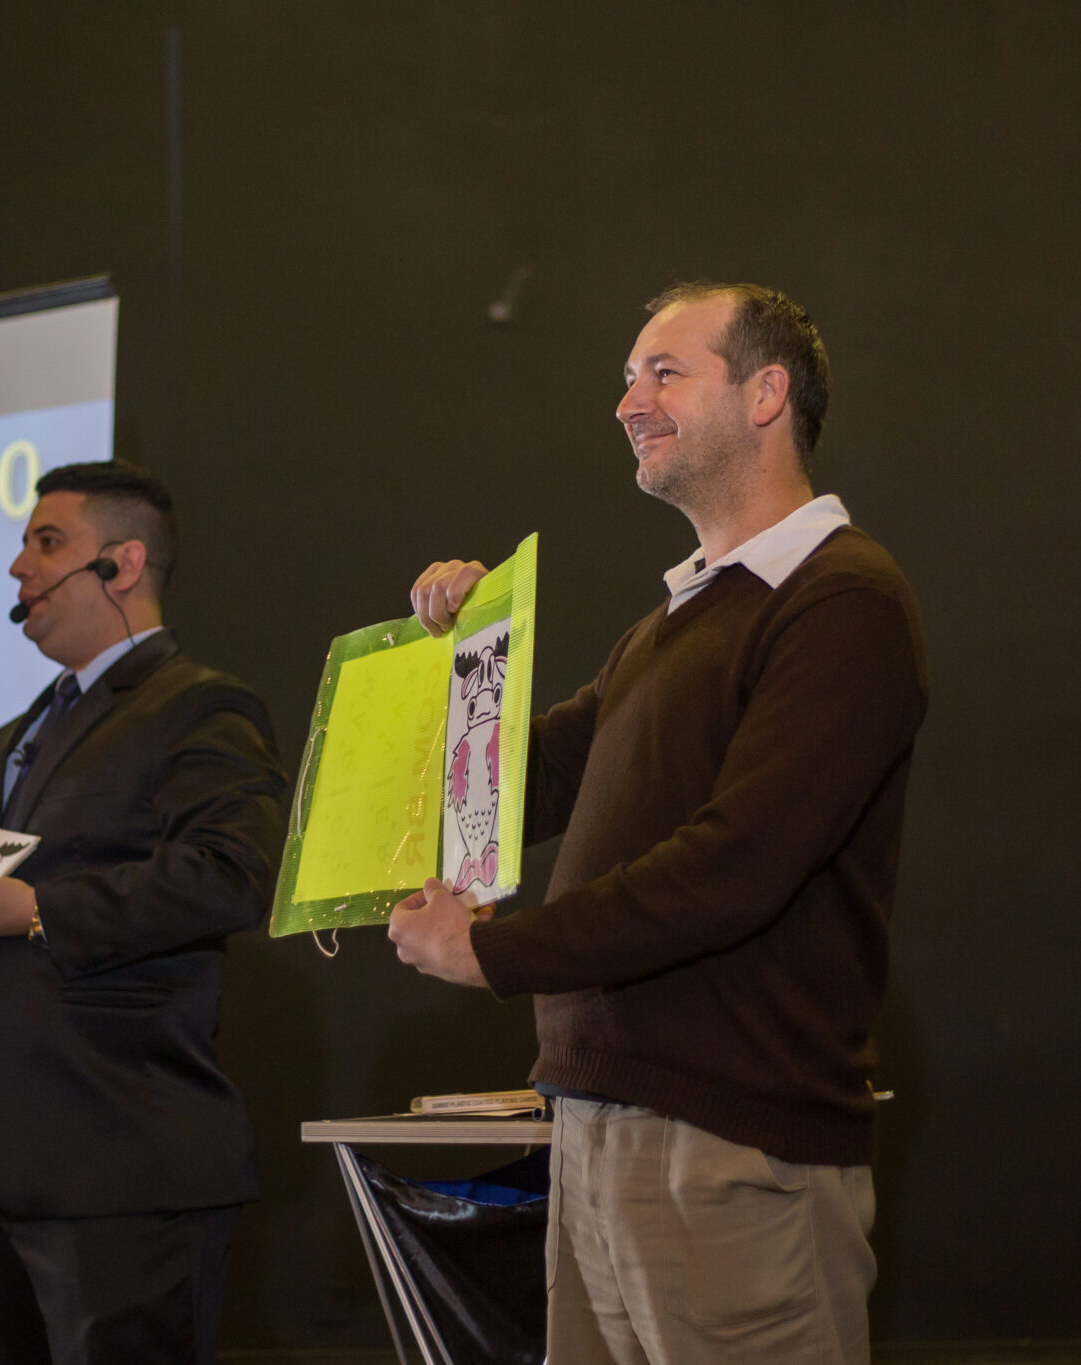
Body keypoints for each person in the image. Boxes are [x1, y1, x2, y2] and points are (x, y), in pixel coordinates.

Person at [390, 282, 928, 1365]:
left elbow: (736, 865)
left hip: (728, 1141)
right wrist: (462, 660)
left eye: (663, 373)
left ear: (765, 394)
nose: (627, 402)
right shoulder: (668, 624)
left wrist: (495, 952)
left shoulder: (842, 599)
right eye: (627, 377)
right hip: (595, 1123)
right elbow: (511, 789)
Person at [0, 461, 285, 1365]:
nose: (18, 568)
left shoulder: (199, 706)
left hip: (118, 1162)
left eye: (47, 543)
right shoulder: (10, 742)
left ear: (123, 564)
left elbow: (232, 874)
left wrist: (36, 907)